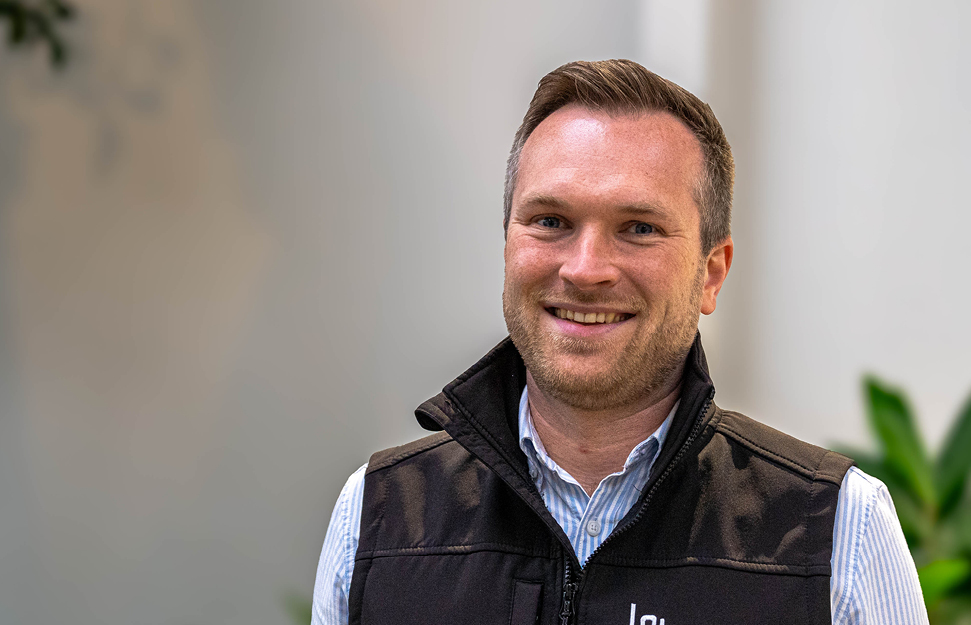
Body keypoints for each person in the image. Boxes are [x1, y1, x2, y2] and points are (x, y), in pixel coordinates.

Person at [312, 59, 926, 625]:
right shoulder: (375, 519)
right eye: (550, 221)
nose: (585, 270)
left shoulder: (835, 531)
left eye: (638, 228)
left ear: (711, 274)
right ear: (507, 243)